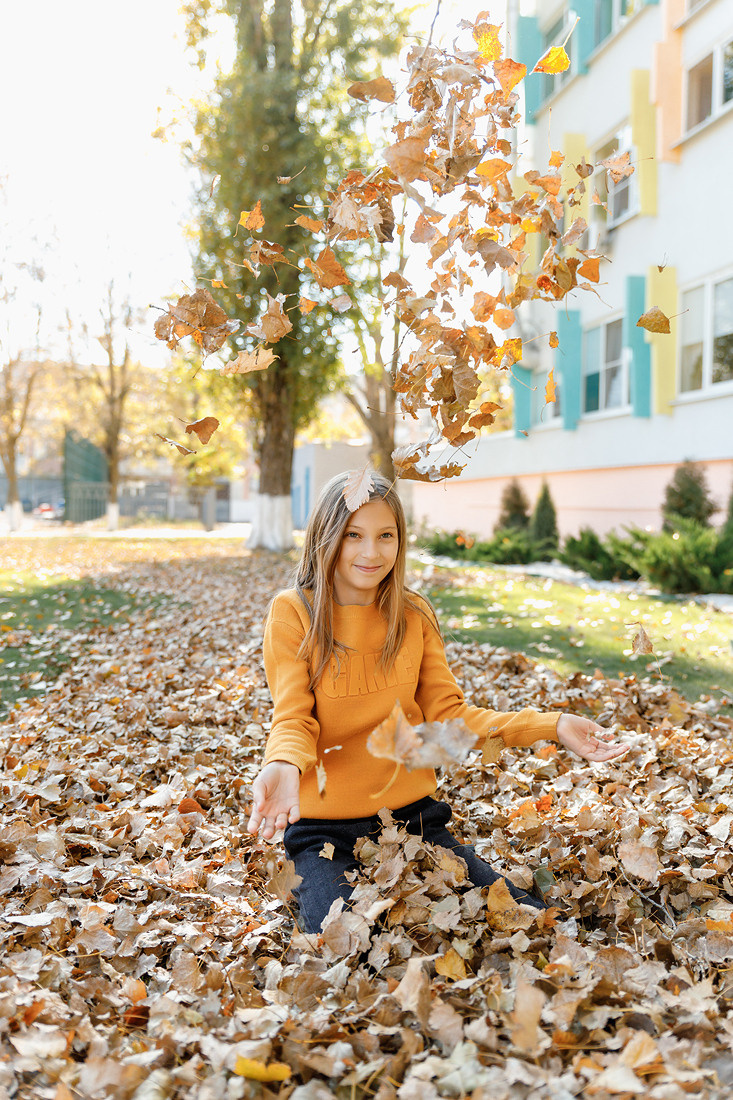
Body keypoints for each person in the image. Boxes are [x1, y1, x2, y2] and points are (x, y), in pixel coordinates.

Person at [247, 471, 627, 934]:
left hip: (414, 820)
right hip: (323, 830)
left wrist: (552, 723)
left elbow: (451, 720)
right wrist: (284, 763)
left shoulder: (414, 614)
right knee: (344, 942)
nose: (372, 552)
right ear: (327, 537)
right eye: (354, 536)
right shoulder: (294, 612)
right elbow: (294, 717)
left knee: (525, 917)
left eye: (386, 535)